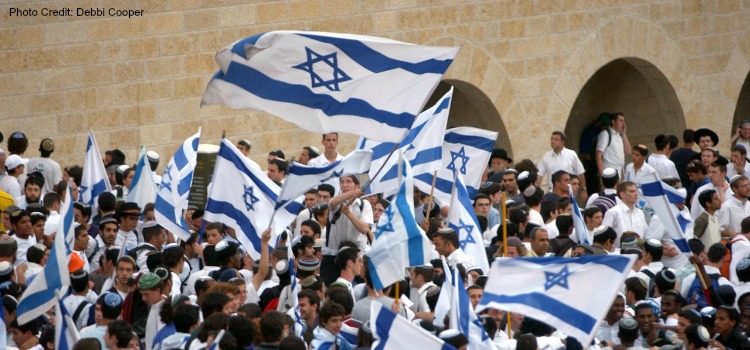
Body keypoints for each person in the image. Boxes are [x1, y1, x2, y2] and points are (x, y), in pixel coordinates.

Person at [321, 175, 373, 285]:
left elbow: (364, 229)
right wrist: (352, 193)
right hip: (334, 255)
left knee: (359, 288)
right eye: (342, 182)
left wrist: (348, 213)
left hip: (357, 255)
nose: (344, 185)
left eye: (348, 182)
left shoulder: (364, 205)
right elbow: (331, 203)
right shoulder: (337, 201)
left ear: (357, 186)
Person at [536, 131, 586, 197]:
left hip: (569, 193)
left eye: (556, 139)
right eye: (552, 139)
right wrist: (535, 191)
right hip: (553, 194)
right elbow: (539, 174)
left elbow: (580, 173)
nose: (553, 141)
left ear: (563, 141)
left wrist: (583, 190)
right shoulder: (547, 156)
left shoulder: (571, 154)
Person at [602, 181, 647, 247]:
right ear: (623, 194)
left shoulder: (640, 213)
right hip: (619, 253)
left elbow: (645, 234)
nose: (636, 194)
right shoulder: (613, 212)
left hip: (639, 253)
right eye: (632, 191)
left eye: (636, 191)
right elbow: (604, 236)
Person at [596, 112, 631, 177]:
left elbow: (628, 151)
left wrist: (624, 134)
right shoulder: (605, 134)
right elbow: (598, 156)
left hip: (620, 172)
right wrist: (603, 175)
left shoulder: (619, 135)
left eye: (623, 121)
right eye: (620, 121)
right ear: (613, 122)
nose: (623, 124)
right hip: (609, 174)